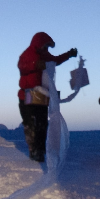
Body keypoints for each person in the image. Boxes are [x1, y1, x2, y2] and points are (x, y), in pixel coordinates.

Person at [17, 31, 77, 162]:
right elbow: (22, 66)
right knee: (31, 124)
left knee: (42, 123)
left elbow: (55, 61)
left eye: (47, 47)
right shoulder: (27, 54)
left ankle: (41, 150)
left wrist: (69, 55)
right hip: (27, 95)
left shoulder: (45, 55)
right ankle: (34, 151)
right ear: (38, 44)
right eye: (45, 46)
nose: (46, 49)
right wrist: (35, 65)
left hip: (41, 94)